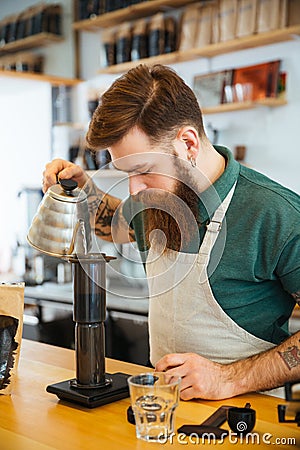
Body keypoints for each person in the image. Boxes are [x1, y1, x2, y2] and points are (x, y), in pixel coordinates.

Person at [43, 64, 300, 400]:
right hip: (162, 405)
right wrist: (82, 190)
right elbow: (110, 224)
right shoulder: (155, 204)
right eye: (125, 173)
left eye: (145, 170)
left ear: (188, 144)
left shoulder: (276, 213)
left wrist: (228, 379)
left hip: (248, 416)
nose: (134, 190)